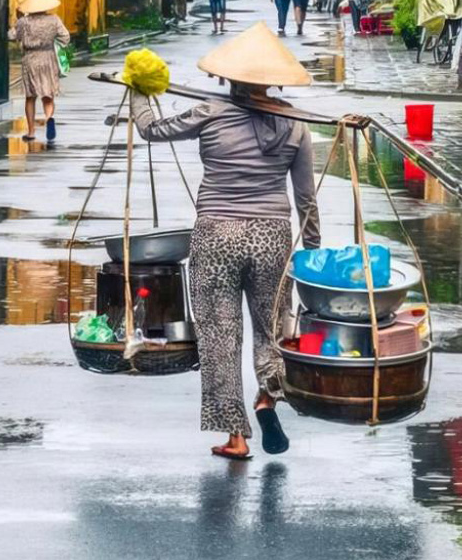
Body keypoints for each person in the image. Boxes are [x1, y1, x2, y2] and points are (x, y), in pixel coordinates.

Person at [128, 24, 320, 460]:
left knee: (220, 335)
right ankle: (267, 398)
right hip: (272, 236)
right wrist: (312, 249)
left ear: (229, 77)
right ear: (273, 80)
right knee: (272, 329)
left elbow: (152, 129)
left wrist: (137, 91)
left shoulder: (210, 112)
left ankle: (236, 436)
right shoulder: (296, 124)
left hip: (216, 234)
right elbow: (306, 197)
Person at [10, 0, 69, 143]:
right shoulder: (54, 19)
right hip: (48, 58)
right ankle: (49, 118)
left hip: (30, 60)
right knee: (47, 95)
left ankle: (31, 132)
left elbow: (12, 36)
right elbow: (65, 37)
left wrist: (18, 20)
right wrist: (53, 43)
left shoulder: (24, 22)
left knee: (30, 97)